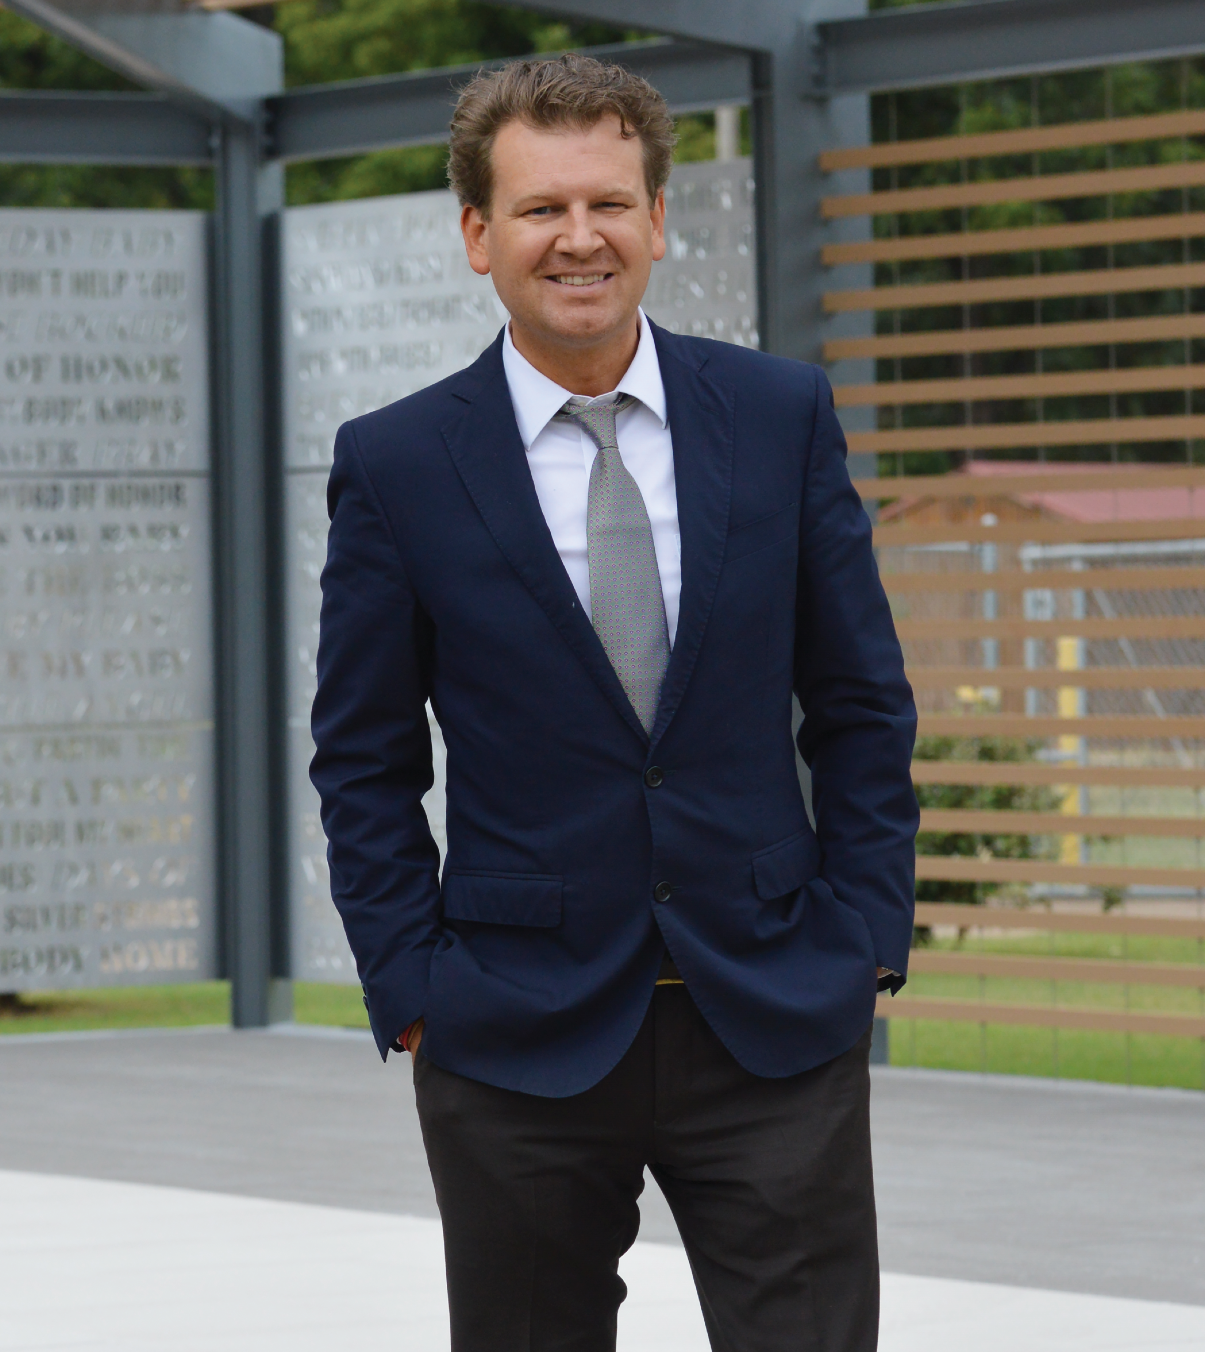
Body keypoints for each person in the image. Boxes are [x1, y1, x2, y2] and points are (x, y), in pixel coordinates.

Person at [310, 52, 918, 1352]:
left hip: (772, 1014)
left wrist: (865, 935)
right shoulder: (398, 462)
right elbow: (362, 758)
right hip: (511, 1033)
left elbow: (861, 701)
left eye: (608, 203)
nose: (578, 237)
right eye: (540, 207)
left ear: (657, 219)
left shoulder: (780, 415)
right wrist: (412, 984)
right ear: (478, 234)